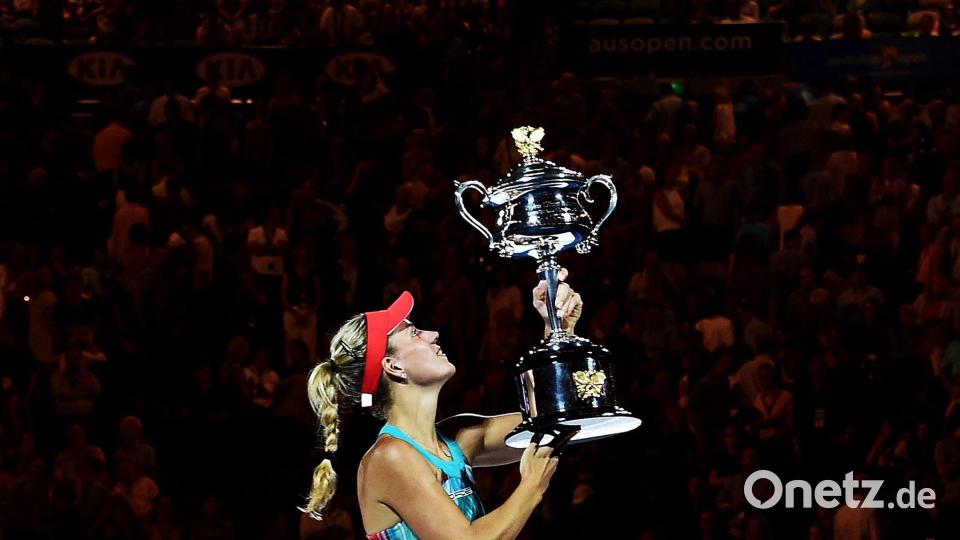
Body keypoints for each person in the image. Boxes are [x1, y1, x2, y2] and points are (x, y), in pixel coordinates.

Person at [302, 269, 584, 538]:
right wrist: (533, 484)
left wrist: (557, 329)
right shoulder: (390, 457)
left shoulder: (459, 438)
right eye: (414, 333)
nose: (433, 334)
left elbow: (554, 415)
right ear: (393, 366)